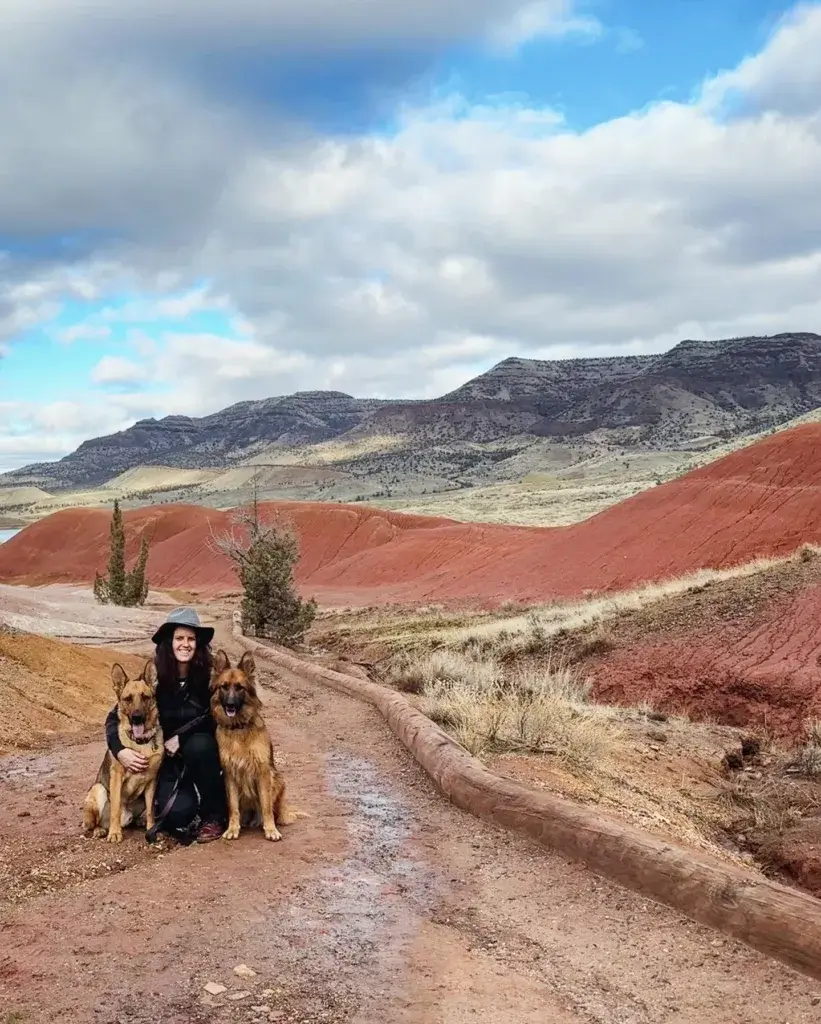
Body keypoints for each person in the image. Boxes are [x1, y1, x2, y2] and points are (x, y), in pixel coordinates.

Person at [104, 606, 227, 844]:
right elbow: (114, 718)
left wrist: (183, 737)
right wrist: (120, 751)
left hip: (202, 753)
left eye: (191, 639)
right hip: (168, 759)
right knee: (177, 815)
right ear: (169, 642)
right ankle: (184, 802)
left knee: (199, 745)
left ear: (198, 644)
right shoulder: (154, 680)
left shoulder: (209, 677)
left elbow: (219, 714)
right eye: (179, 638)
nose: (185, 644)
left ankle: (214, 815)